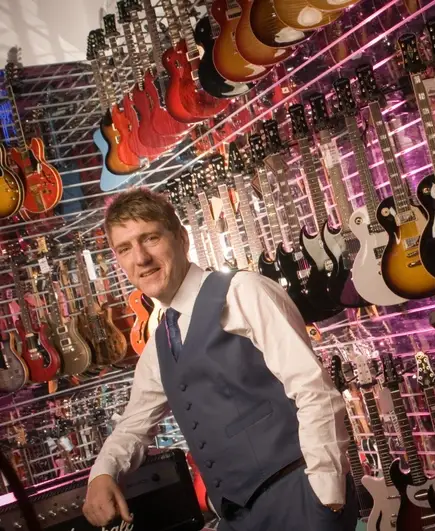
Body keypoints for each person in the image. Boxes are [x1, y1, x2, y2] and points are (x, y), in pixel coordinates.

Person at [82, 188, 357, 531]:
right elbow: (133, 426)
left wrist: (325, 494)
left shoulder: (244, 292)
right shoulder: (157, 348)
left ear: (181, 239)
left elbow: (313, 388)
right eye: (125, 249)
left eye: (150, 238)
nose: (141, 258)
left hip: (301, 498)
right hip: (236, 517)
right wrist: (103, 472)